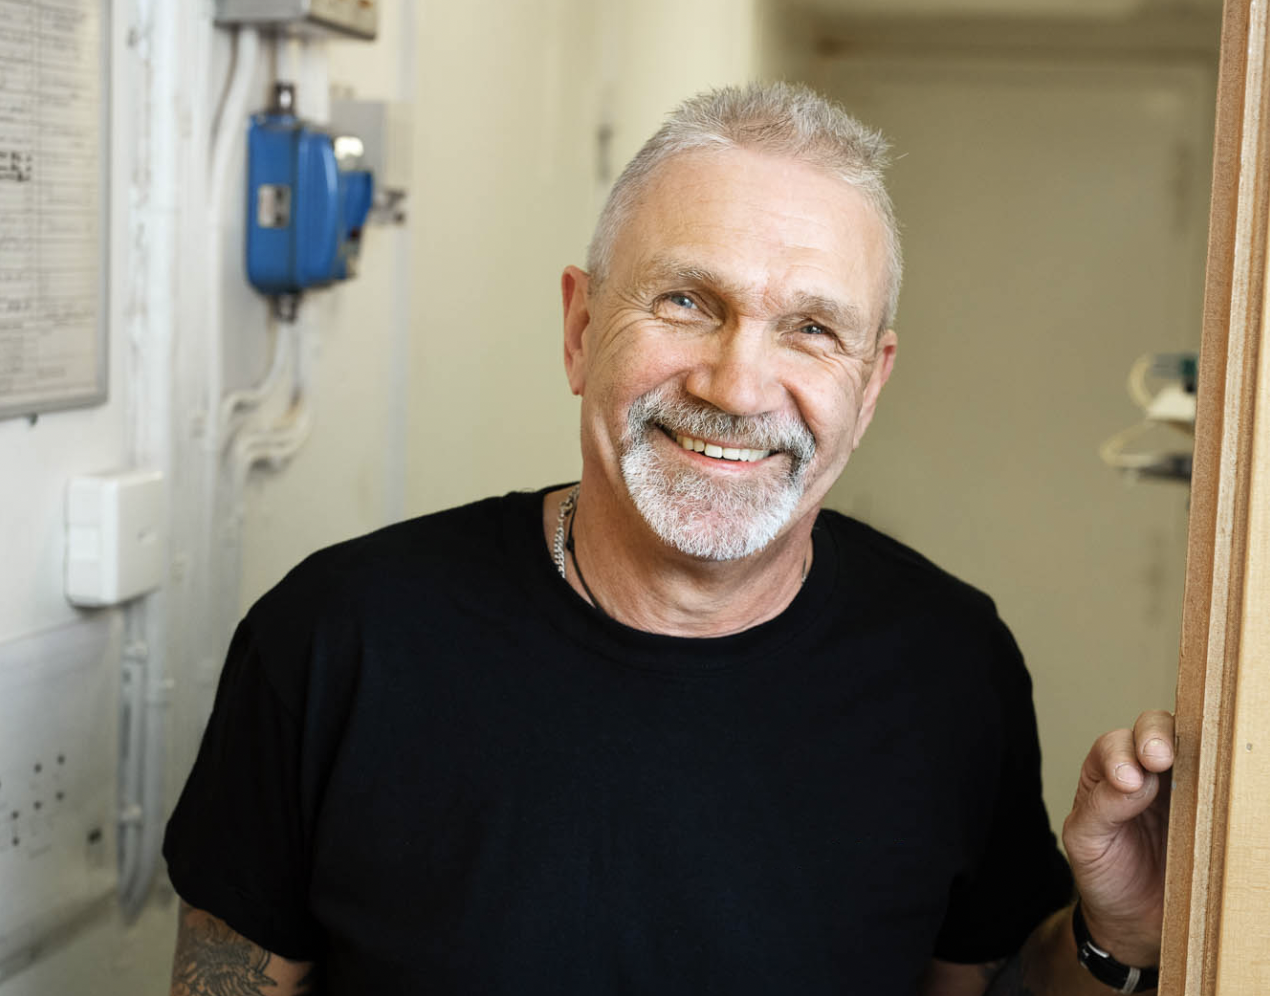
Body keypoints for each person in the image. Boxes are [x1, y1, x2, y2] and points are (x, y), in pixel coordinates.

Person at [164, 82, 1174, 996]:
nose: (737, 386)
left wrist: (1115, 934)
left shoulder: (950, 665)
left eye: (812, 329)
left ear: (869, 386)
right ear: (580, 328)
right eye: (687, 302)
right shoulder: (339, 638)